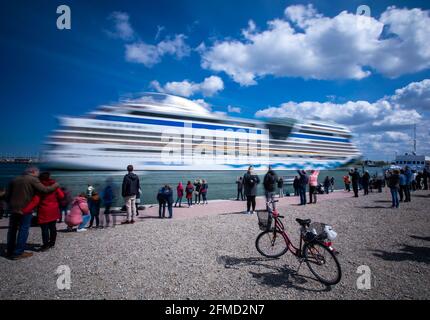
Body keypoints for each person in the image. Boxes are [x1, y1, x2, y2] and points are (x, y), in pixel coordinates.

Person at [6, 166, 59, 260]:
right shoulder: (32, 179)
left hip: (13, 208)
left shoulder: (14, 179)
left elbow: (7, 195)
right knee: (23, 229)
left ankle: (10, 250)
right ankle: (18, 252)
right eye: (37, 173)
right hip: (26, 208)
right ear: (33, 171)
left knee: (12, 230)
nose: (38, 175)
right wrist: (55, 185)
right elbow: (45, 190)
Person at [35, 172, 64, 250]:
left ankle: (45, 245)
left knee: (44, 229)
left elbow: (36, 200)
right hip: (53, 209)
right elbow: (61, 196)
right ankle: (52, 243)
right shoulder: (54, 186)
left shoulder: (39, 186)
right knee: (52, 227)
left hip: (43, 209)